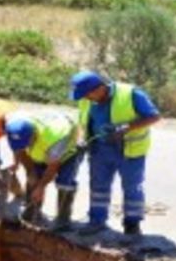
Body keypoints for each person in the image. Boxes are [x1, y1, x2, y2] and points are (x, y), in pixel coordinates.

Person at [69, 71, 162, 237]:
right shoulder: (86, 99)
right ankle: (96, 221)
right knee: (98, 187)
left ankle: (132, 226)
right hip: (99, 150)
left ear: (99, 88)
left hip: (128, 151)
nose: (86, 98)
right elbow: (83, 121)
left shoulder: (131, 94)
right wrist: (82, 138)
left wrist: (126, 127)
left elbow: (154, 116)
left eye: (88, 94)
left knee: (132, 187)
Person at [5, 112, 81, 231]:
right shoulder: (16, 125)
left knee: (65, 183)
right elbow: (19, 150)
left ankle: (63, 219)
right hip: (43, 151)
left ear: (33, 135)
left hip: (67, 152)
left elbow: (52, 167)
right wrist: (30, 172)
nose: (25, 146)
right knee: (32, 179)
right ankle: (32, 212)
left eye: (27, 143)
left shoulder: (55, 137)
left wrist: (41, 187)